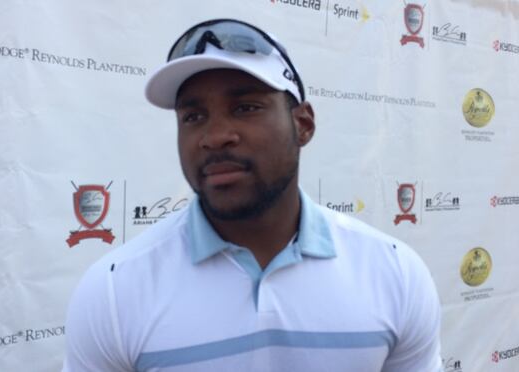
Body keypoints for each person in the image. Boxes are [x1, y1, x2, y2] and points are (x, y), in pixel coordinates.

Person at [62, 19, 442, 371]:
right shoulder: (113, 293)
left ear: (303, 125)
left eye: (245, 107)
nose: (214, 136)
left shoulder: (395, 274)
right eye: (193, 117)